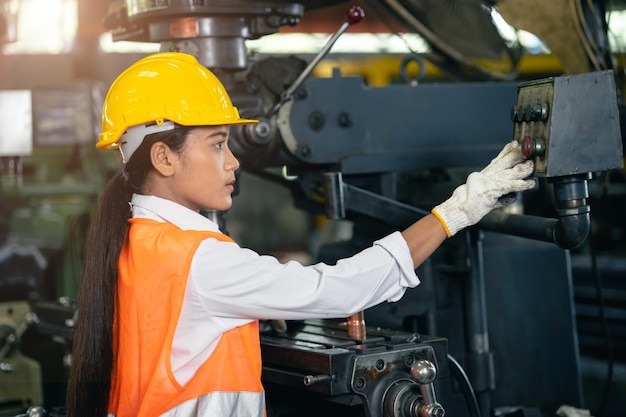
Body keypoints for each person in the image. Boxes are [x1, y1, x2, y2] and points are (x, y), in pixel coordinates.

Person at [65, 52, 535, 417]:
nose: (233, 162)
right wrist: (458, 210)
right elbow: (337, 289)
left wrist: (243, 315)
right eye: (217, 144)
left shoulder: (132, 240)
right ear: (164, 158)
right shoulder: (199, 261)